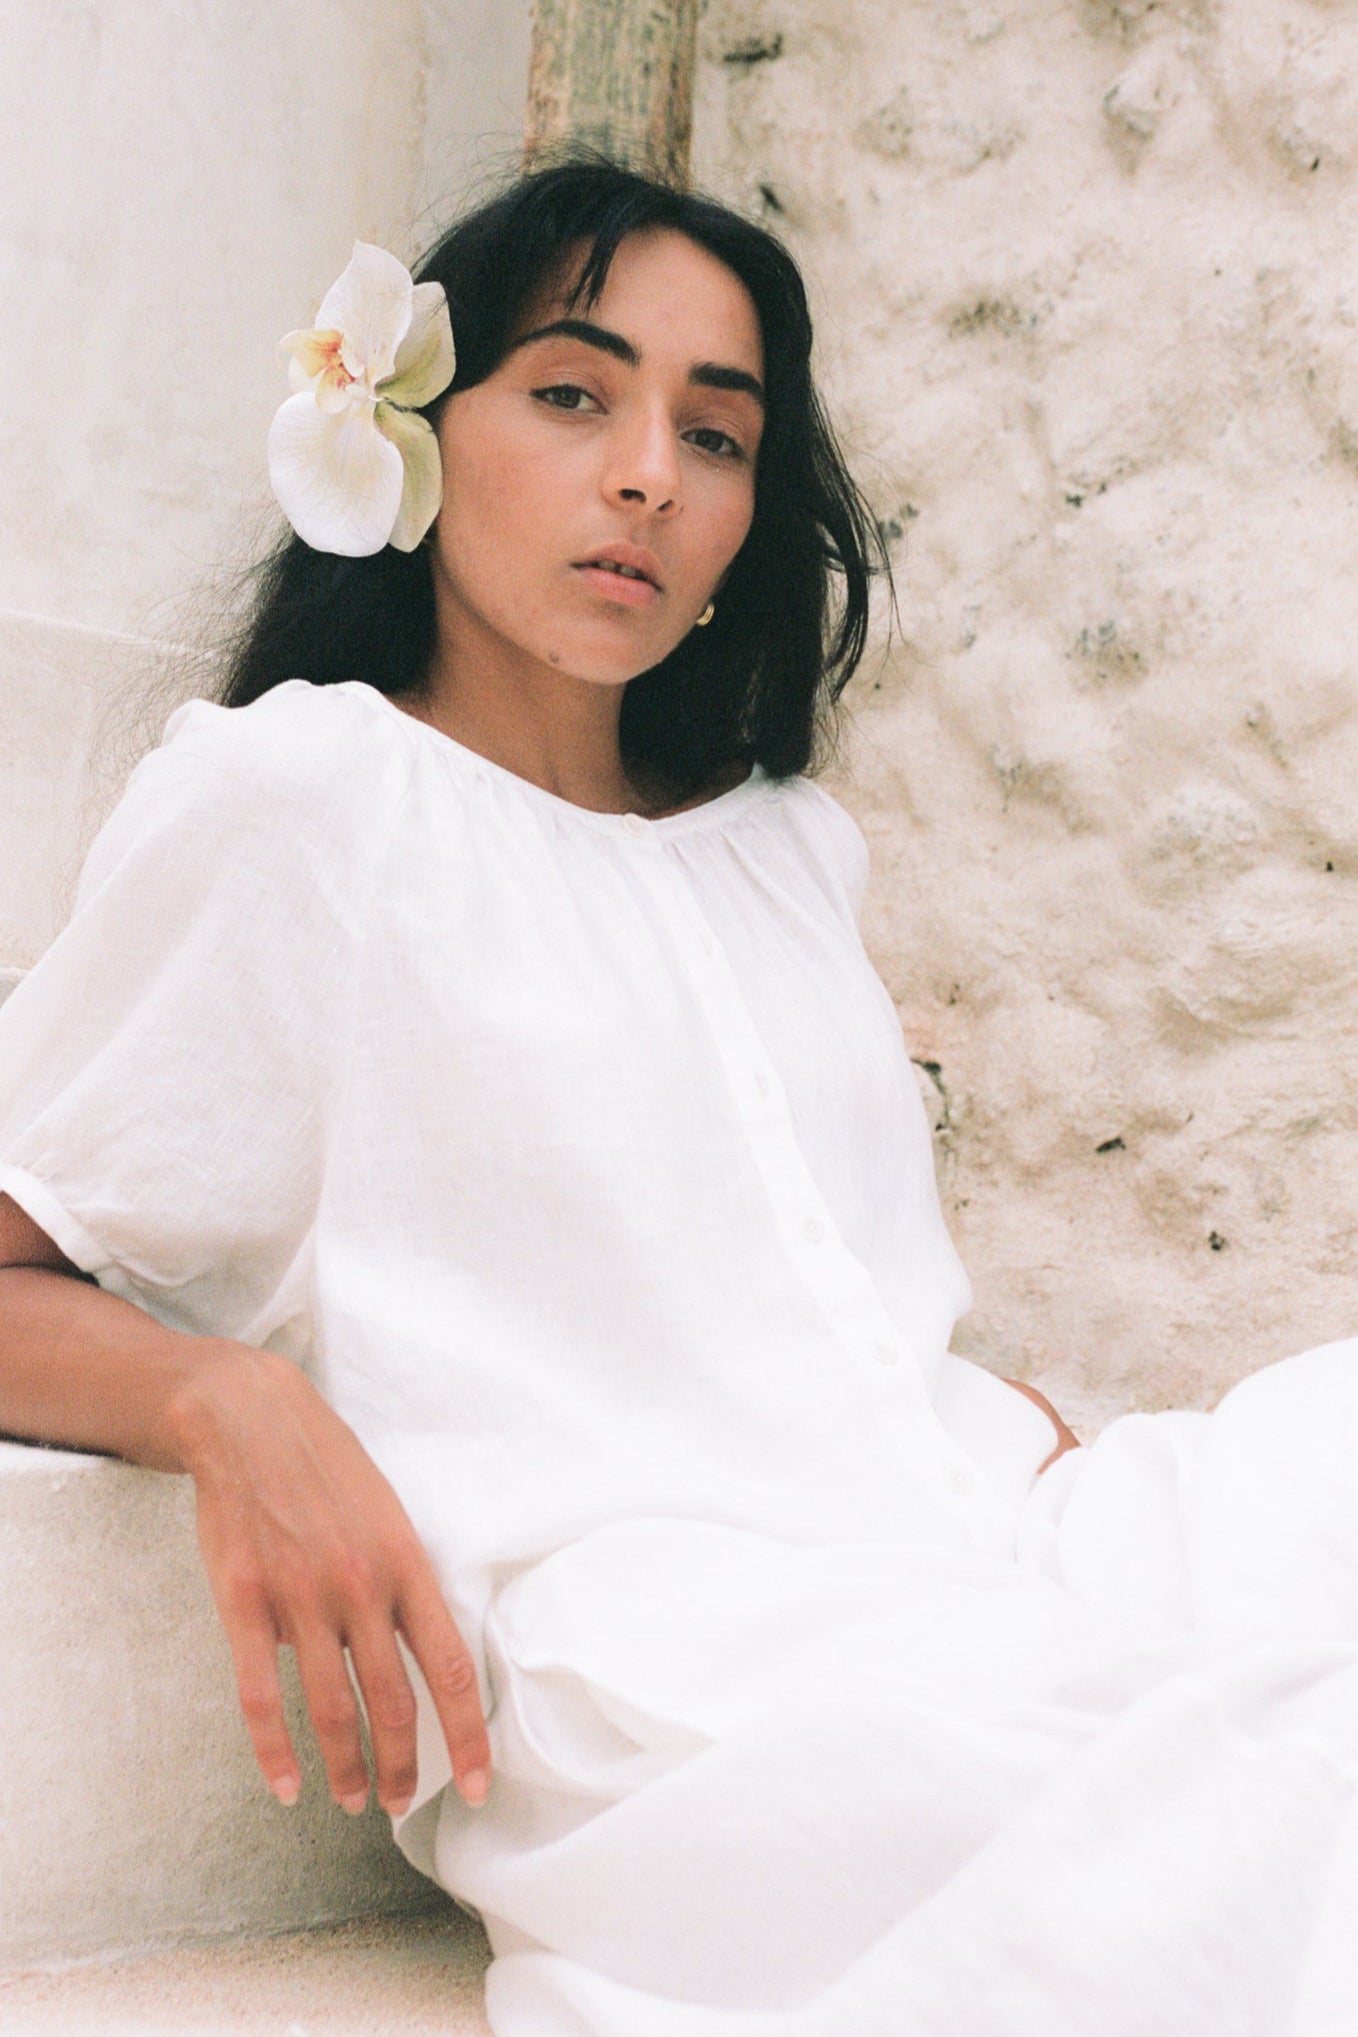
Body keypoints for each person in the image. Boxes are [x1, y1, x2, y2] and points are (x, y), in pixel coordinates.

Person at [1, 158, 1356, 2037]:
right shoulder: (302, 800)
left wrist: (938, 1410)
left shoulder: (789, 849)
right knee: (1274, 1772)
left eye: (714, 435)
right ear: (413, 433)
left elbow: (780, 1278)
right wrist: (217, 1392)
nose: (647, 470)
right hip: (692, 1688)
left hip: (990, 1532)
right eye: (573, 392)